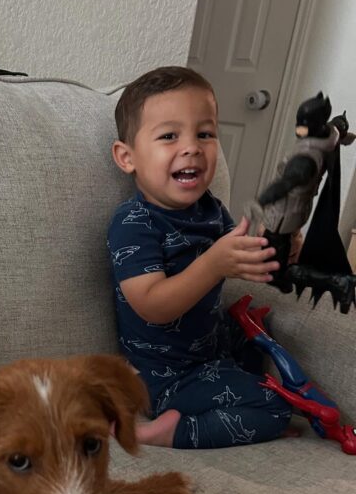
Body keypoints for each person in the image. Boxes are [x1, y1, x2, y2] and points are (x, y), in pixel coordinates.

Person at [107, 66, 295, 448]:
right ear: (127, 157)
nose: (192, 147)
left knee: (259, 333)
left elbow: (241, 257)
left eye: (205, 134)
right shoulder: (133, 224)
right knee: (278, 406)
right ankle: (172, 431)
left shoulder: (211, 209)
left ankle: (240, 401)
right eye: (169, 136)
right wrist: (213, 263)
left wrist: (276, 246)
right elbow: (152, 306)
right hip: (165, 376)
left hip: (212, 349)